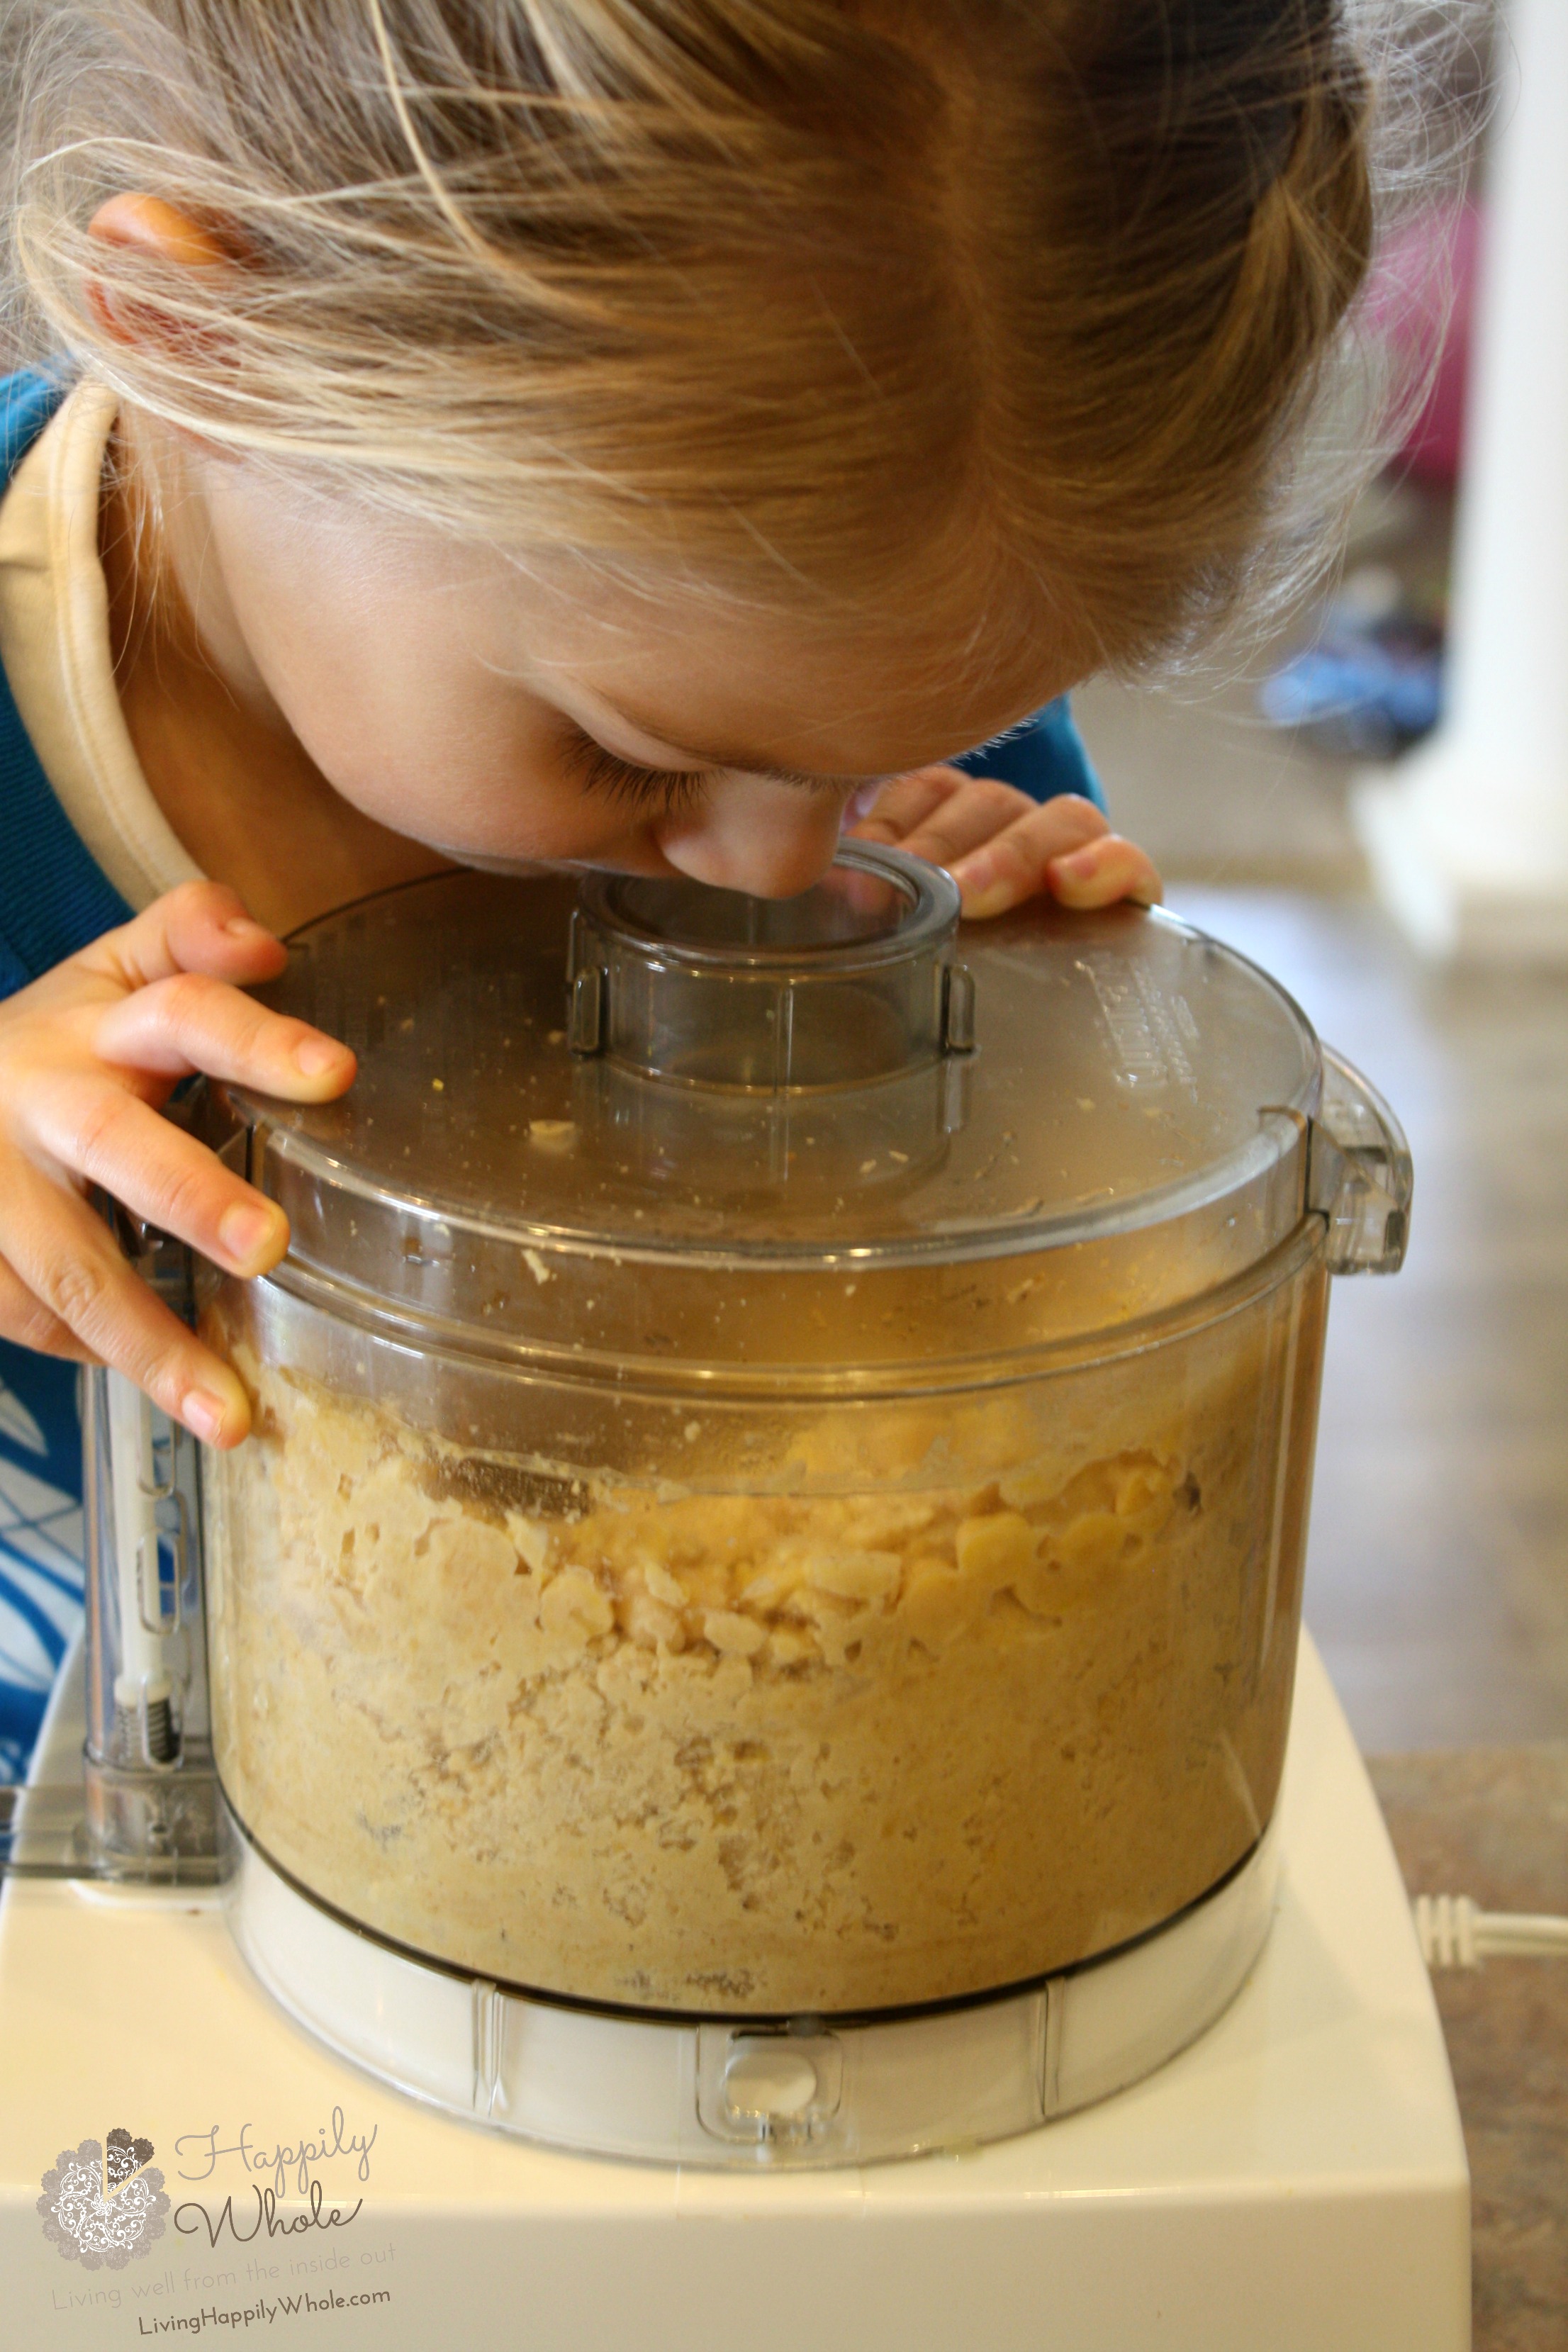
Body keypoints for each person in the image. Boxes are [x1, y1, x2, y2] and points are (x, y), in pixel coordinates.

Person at [0, 0, 1383, 1777]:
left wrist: (1045, 1062)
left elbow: (958, 1427)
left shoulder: (878, 684)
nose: (786, 865)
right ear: (212, 339)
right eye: (640, 757)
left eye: (890, 748)